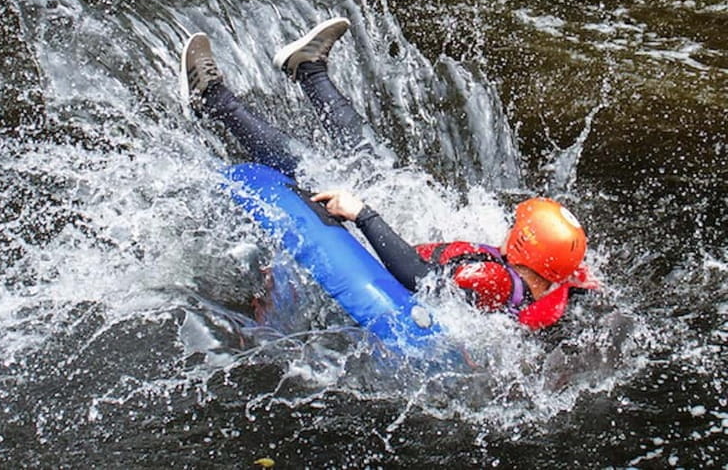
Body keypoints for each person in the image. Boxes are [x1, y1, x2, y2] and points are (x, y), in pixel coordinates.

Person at [181, 18, 596, 331]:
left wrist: (364, 214)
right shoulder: (550, 279)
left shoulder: (493, 280)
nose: (508, 227)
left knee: (305, 169)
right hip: (414, 263)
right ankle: (308, 69)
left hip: (381, 288)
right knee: (368, 160)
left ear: (524, 247)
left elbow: (422, 280)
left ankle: (211, 99)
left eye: (516, 227)